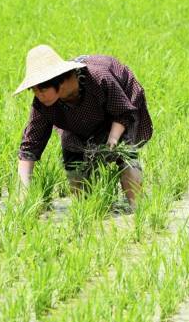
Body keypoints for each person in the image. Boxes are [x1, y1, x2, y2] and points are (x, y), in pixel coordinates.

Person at [13, 44, 153, 208]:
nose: (39, 95)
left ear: (60, 81)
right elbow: (30, 145)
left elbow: (122, 112)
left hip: (118, 111)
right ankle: (87, 209)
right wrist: (23, 192)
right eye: (34, 90)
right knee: (73, 155)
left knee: (126, 154)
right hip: (77, 123)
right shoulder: (43, 103)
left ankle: (137, 210)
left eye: (42, 89)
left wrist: (113, 140)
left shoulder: (99, 78)